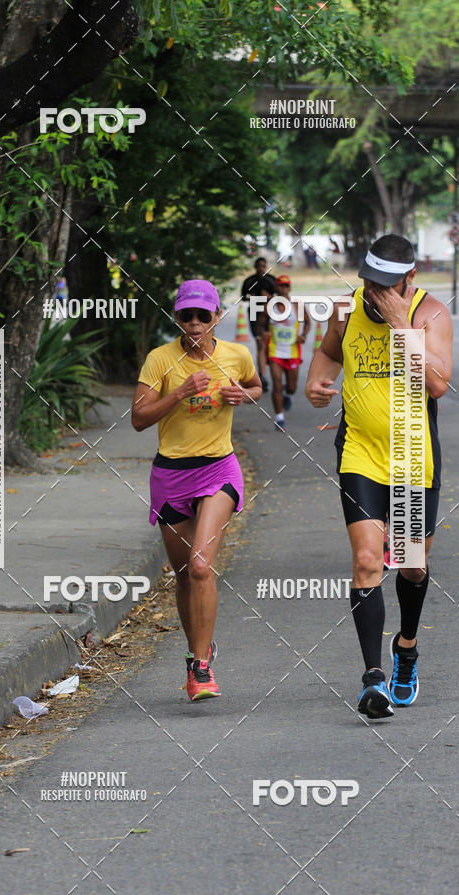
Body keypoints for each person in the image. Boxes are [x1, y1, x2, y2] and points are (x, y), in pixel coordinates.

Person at [305, 234, 453, 719]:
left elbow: (438, 384)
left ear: (411, 278)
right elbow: (328, 352)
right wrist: (316, 381)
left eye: (388, 285)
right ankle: (373, 678)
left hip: (412, 456)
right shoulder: (345, 310)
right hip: (360, 453)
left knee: (411, 567)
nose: (376, 293)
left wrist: (399, 325)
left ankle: (406, 647)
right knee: (368, 560)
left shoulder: (430, 315)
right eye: (371, 283)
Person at [131, 279, 262, 701]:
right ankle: (195, 653)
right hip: (171, 475)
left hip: (218, 470)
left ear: (216, 317)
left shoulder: (236, 354)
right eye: (186, 315)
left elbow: (256, 386)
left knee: (201, 566)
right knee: (185, 575)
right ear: (176, 317)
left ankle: (202, 668)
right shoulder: (160, 360)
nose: (194, 323)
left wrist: (243, 394)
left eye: (202, 316)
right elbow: (138, 418)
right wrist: (181, 392)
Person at [265, 274, 310, 431]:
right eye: (281, 285)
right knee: (276, 384)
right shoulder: (268, 306)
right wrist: (263, 334)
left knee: (291, 387)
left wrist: (303, 335)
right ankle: (279, 418)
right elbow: (260, 324)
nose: (283, 288)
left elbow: (308, 322)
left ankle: (288, 395)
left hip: (292, 351)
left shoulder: (296, 305)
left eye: (286, 286)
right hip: (275, 351)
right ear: (276, 287)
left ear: (289, 288)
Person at [241, 257, 276, 391]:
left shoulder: (272, 280)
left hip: (270, 314)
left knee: (270, 345)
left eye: (263, 265)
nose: (261, 268)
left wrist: (270, 298)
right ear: (255, 267)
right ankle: (263, 376)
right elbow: (243, 297)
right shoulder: (249, 281)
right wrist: (252, 297)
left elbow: (281, 297)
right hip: (255, 314)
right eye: (259, 266)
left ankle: (274, 375)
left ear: (266, 266)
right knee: (260, 344)